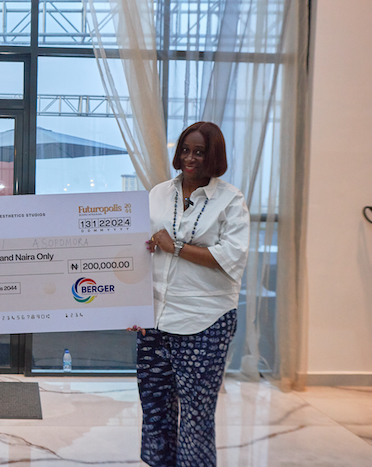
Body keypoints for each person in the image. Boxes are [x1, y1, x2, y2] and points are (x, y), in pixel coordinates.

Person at [131, 121, 250, 467]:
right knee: (155, 411)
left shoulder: (230, 200)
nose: (190, 158)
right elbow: (136, 251)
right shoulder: (158, 193)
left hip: (205, 321)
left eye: (199, 152)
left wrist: (177, 247)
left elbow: (232, 257)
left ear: (214, 156)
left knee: (196, 416)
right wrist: (131, 306)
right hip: (155, 321)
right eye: (185, 150)